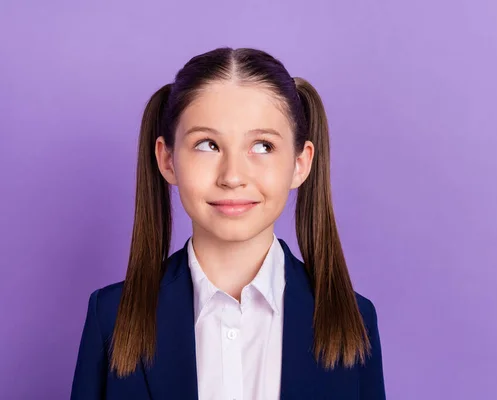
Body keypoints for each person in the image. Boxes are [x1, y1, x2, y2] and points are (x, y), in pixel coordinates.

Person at [70, 47, 386, 400]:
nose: (233, 176)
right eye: (207, 144)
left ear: (300, 163)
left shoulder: (355, 319)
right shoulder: (110, 317)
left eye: (263, 146)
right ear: (167, 160)